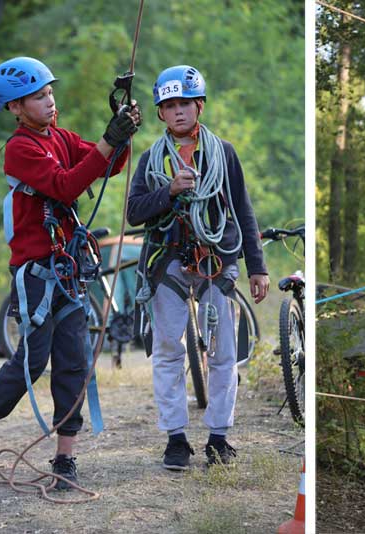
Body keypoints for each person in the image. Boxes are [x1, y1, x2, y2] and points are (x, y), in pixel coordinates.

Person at [0, 56, 141, 489]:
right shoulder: (21, 149)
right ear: (15, 108)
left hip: (67, 265)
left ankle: (64, 457)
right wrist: (109, 140)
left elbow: (107, 164)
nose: (49, 101)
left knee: (74, 360)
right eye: (38, 96)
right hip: (35, 271)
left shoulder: (60, 137)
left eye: (50, 92)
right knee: (32, 361)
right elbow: (67, 185)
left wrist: (119, 134)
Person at [127, 65, 269, 469]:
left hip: (216, 259)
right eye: (169, 106)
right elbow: (135, 212)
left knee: (223, 350)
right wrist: (168, 192)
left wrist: (257, 267)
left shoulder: (222, 152)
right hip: (167, 261)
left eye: (185, 104)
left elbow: (242, 209)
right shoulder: (151, 159)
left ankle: (218, 437)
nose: (178, 112)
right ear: (160, 113)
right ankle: (175, 438)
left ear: (199, 106)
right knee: (169, 350)